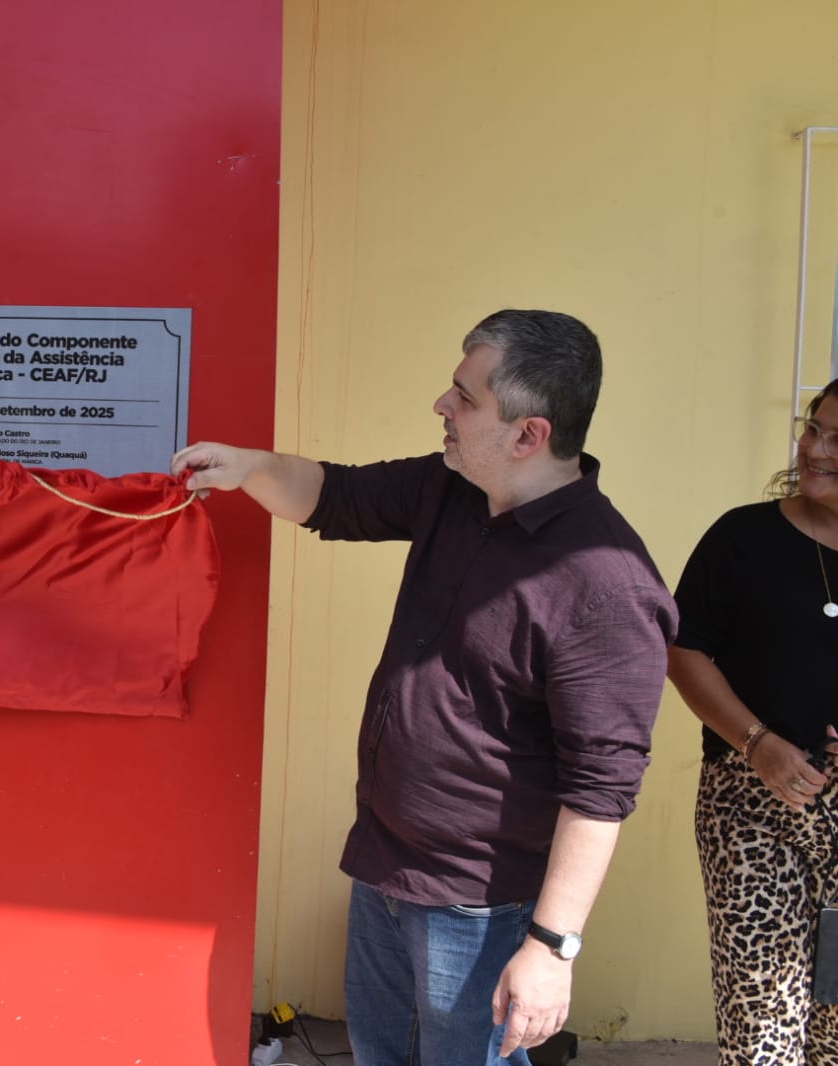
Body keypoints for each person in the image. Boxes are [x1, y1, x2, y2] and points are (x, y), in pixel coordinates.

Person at [173, 309, 677, 1065]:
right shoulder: (455, 488)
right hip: (382, 863)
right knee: (381, 1053)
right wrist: (251, 466)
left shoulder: (605, 584)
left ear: (528, 435)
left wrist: (548, 949)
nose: (441, 405)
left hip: (478, 906)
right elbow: (333, 497)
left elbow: (600, 789)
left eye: (464, 397)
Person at [668, 377, 838, 1063]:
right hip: (751, 804)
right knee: (762, 1020)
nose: (815, 448)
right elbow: (682, 651)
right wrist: (755, 742)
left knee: (834, 1024)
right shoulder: (743, 538)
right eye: (813, 428)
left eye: (837, 439)